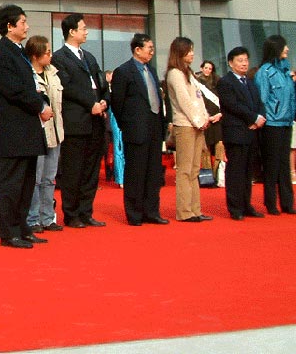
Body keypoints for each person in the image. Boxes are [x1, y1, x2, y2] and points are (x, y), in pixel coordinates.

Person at [0, 4, 53, 248]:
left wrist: (41, 101)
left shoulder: (19, 53)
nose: (27, 26)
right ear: (9, 26)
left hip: (27, 129)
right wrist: (39, 106)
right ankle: (8, 232)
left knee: (26, 183)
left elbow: (29, 86)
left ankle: (23, 227)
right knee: (12, 183)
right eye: (23, 22)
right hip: (13, 130)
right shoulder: (1, 55)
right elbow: (14, 90)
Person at [51, 13, 109, 228]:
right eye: (83, 28)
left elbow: (101, 83)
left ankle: (86, 211)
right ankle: (71, 213)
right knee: (73, 170)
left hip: (96, 121)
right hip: (76, 122)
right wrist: (90, 104)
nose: (86, 32)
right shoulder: (59, 58)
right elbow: (67, 87)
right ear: (72, 31)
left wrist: (104, 101)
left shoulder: (89, 57)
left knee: (91, 170)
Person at [110, 34, 168, 226]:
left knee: (153, 173)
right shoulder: (124, 71)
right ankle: (134, 213)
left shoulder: (151, 70)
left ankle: (152, 211)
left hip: (154, 128)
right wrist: (127, 125)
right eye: (149, 48)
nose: (152, 51)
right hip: (135, 130)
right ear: (137, 49)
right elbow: (117, 103)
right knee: (136, 173)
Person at [165, 37, 212, 223]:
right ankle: (184, 211)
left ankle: (195, 209)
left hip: (197, 124)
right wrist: (199, 120)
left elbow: (198, 98)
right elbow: (184, 101)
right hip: (185, 125)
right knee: (184, 170)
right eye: (188, 50)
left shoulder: (189, 72)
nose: (192, 53)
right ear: (180, 52)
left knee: (194, 169)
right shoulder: (175, 73)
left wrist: (205, 117)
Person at [217, 46, 267, 220]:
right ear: (231, 63)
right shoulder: (226, 82)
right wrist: (253, 118)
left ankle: (247, 205)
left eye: (246, 60)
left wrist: (260, 117)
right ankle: (235, 208)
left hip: (251, 133)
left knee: (248, 172)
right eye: (240, 60)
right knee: (235, 171)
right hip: (236, 132)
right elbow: (232, 105)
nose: (244, 63)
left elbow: (259, 102)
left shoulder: (250, 82)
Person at [25, 36, 65, 233]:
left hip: (55, 132)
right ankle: (33, 218)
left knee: (50, 179)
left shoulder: (54, 73)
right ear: (35, 55)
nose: (50, 55)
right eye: (47, 52)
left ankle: (48, 217)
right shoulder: (27, 75)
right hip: (37, 133)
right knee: (35, 179)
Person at [254, 36, 296, 215]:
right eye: (284, 46)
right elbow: (262, 99)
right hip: (271, 123)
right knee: (271, 164)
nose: (287, 49)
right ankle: (270, 203)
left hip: (286, 122)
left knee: (285, 164)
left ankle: (288, 203)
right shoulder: (265, 71)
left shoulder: (285, 71)